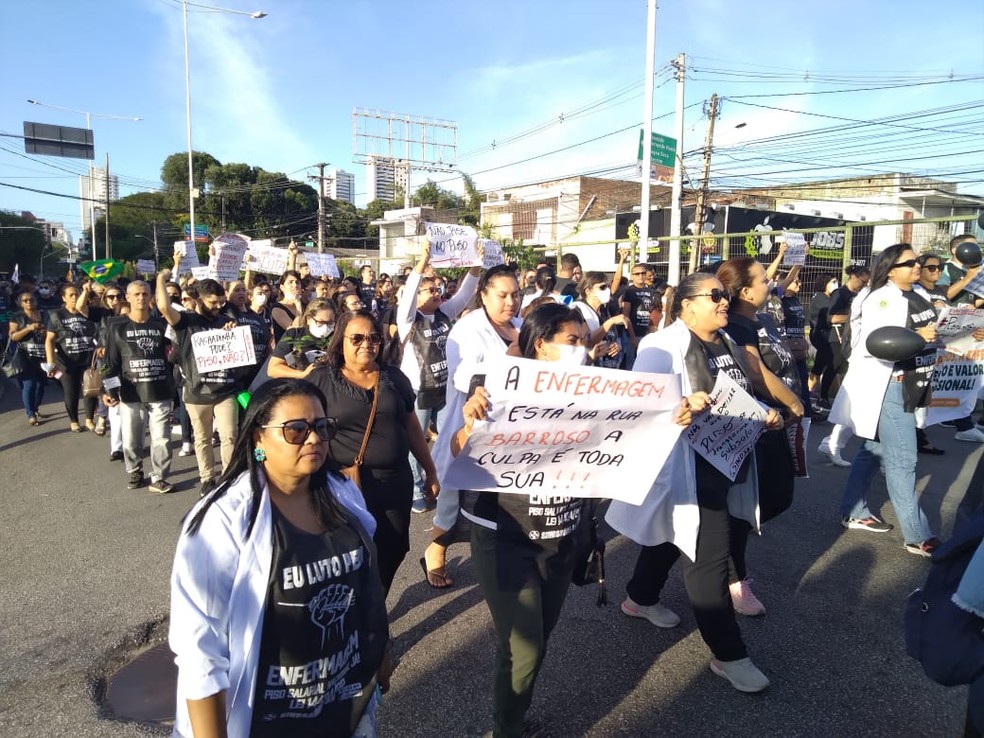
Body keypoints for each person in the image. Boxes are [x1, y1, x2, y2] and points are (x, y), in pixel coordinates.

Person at [168, 379, 391, 737]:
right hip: (265, 721)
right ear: (258, 437)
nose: (314, 439)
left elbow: (366, 584)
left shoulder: (343, 493)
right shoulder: (222, 520)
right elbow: (200, 653)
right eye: (296, 430)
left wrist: (381, 648)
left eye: (321, 427)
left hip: (346, 709)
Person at [606, 272, 782, 694]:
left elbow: (735, 392)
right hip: (689, 473)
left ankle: (640, 597)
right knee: (710, 563)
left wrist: (764, 411)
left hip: (727, 463)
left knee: (669, 538)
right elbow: (637, 410)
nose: (725, 302)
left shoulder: (727, 344)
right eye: (715, 296)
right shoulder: (659, 348)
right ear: (686, 306)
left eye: (724, 295)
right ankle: (729, 655)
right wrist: (680, 408)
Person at [451, 303, 592, 737]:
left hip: (561, 533)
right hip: (506, 534)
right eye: (572, 342)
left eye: (585, 341)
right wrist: (471, 422)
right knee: (524, 647)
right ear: (539, 344)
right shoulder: (493, 383)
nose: (582, 350)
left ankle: (512, 713)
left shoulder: (597, 390)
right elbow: (460, 450)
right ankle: (506, 729)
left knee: (534, 639)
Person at [306, 309, 439, 595]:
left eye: (373, 338)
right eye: (357, 338)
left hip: (394, 483)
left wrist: (430, 469)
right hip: (343, 486)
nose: (367, 344)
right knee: (348, 554)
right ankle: (358, 615)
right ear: (340, 341)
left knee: (394, 548)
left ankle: (374, 604)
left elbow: (412, 426)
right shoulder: (320, 380)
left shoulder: (393, 377)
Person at [830, 243, 941, 557]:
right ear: (891, 268)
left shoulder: (914, 295)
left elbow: (927, 334)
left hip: (906, 384)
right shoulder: (881, 298)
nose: (917, 266)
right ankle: (917, 535)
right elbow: (878, 343)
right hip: (888, 386)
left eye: (918, 261)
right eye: (910, 262)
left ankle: (854, 510)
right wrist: (920, 337)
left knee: (873, 450)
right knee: (904, 460)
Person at [716, 257, 804, 615]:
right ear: (744, 291)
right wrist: (793, 401)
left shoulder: (759, 319)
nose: (771, 284)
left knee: (771, 498)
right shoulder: (734, 325)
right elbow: (755, 373)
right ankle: (733, 576)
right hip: (754, 424)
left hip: (772, 421)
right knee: (746, 506)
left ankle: (650, 583)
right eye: (764, 279)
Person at [426, 265, 522, 588]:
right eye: (503, 295)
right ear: (483, 295)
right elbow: (462, 377)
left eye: (516, 294)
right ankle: (435, 551)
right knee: (453, 500)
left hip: (511, 434)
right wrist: (510, 358)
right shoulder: (467, 330)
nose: (511, 302)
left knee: (500, 498)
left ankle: (500, 555)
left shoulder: (521, 326)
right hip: (469, 429)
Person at [397, 239, 481, 515]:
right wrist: (422, 263)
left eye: (439, 289)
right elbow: (409, 292)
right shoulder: (408, 318)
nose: (438, 293)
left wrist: (475, 265)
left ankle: (443, 482)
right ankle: (415, 490)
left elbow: (466, 292)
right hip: (418, 392)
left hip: (445, 390)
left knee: (448, 438)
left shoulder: (445, 313)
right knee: (417, 442)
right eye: (431, 289)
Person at [157, 264, 245, 497]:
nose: (217, 307)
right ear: (198, 299)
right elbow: (163, 306)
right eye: (212, 302)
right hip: (196, 392)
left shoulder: (225, 320)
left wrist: (231, 331)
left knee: (229, 436)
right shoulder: (185, 321)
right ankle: (207, 478)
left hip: (225, 390)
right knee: (203, 438)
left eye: (220, 302)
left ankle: (228, 476)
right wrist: (161, 278)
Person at [102, 280, 175, 493]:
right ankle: (134, 470)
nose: (141, 298)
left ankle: (160, 477)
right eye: (136, 294)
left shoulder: (162, 326)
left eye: (145, 294)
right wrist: (108, 390)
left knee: (162, 437)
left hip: (159, 390)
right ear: (128, 297)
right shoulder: (116, 325)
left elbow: (174, 355)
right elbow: (110, 363)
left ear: (151, 296)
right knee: (132, 438)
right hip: (130, 392)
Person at [914, 252, 984, 445]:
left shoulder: (941, 291)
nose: (937, 271)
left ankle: (962, 425)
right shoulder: (915, 291)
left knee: (948, 387)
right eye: (932, 267)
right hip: (921, 351)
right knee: (920, 393)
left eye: (940, 267)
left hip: (941, 350)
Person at [44, 282, 98, 432]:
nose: (75, 297)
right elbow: (49, 340)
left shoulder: (88, 312)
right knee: (71, 391)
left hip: (87, 359)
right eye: (71, 295)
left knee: (90, 388)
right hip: (66, 361)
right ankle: (74, 420)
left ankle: (89, 419)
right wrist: (51, 363)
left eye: (77, 294)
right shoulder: (57, 316)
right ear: (63, 298)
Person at [820, 264, 870, 405]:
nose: (863, 285)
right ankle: (823, 396)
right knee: (834, 365)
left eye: (867, 283)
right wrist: (853, 316)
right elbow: (831, 318)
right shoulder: (840, 293)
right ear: (853, 276)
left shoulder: (860, 295)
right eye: (862, 282)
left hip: (853, 335)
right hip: (838, 336)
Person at [267, 298, 336, 380]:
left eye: (330, 323)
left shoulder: (336, 338)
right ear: (309, 319)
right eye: (320, 322)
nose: (326, 327)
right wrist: (301, 374)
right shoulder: (294, 335)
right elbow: (273, 369)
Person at [572, 270, 629, 369]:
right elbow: (587, 341)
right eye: (602, 287)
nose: (607, 290)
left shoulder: (604, 310)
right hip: (588, 368)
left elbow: (610, 336)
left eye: (607, 286)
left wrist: (615, 345)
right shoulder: (578, 309)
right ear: (588, 291)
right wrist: (611, 322)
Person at [8, 290, 49, 425]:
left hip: (43, 355)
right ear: (21, 303)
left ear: (36, 301)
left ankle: (35, 408)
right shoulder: (17, 317)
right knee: (29, 385)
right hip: (25, 356)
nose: (29, 302)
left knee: (41, 384)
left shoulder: (43, 314)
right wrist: (29, 328)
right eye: (25, 300)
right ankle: (30, 414)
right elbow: (13, 336)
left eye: (31, 299)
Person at [807, 275, 839, 396]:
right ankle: (812, 389)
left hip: (825, 335)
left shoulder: (825, 297)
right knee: (822, 363)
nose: (836, 284)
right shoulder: (821, 297)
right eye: (833, 282)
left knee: (828, 363)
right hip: (820, 335)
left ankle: (832, 391)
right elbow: (832, 313)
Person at [620, 262, 656, 346]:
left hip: (647, 333)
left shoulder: (651, 291)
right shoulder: (629, 291)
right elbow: (626, 315)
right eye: (637, 274)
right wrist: (632, 337)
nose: (640, 276)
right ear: (632, 276)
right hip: (633, 334)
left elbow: (652, 312)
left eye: (643, 273)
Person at [270, 269, 304, 343]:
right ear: (282, 287)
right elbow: (295, 332)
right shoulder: (276, 308)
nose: (295, 285)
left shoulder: (305, 306)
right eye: (290, 282)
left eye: (297, 282)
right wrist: (298, 304)